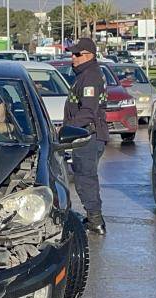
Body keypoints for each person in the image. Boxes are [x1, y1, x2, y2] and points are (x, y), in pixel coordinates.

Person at [63, 38, 109, 235]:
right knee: (83, 177)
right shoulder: (85, 75)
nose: (73, 57)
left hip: (89, 135)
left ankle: (95, 221)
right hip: (85, 135)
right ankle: (93, 218)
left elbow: (88, 112)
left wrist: (66, 129)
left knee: (85, 178)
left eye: (77, 54)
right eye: (72, 54)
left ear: (88, 56)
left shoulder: (90, 77)